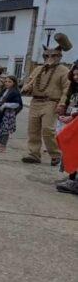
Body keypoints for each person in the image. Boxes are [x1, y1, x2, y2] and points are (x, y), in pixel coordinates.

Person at [20, 39, 71, 165]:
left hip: (51, 102)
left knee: (48, 129)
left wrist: (62, 104)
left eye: (53, 56)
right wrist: (26, 88)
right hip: (35, 102)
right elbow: (29, 84)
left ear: (59, 56)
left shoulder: (64, 70)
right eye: (46, 56)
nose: (49, 58)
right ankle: (34, 154)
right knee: (33, 130)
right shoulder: (38, 69)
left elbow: (67, 89)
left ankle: (55, 155)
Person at [55, 63, 78, 193]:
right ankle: (72, 179)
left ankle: (74, 181)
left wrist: (73, 116)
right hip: (73, 121)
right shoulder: (74, 88)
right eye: (74, 74)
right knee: (70, 147)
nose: (76, 77)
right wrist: (65, 112)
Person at [0, 74, 23, 153]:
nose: (7, 83)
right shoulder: (4, 90)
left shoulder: (15, 92)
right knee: (0, 129)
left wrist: (5, 105)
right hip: (1, 113)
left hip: (8, 114)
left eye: (9, 82)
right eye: (6, 81)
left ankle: (2, 146)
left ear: (14, 83)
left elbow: (17, 104)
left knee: (5, 130)